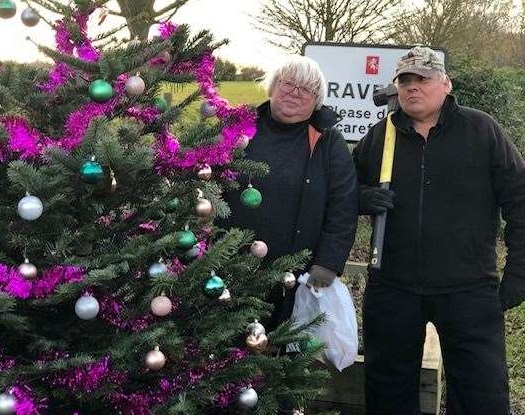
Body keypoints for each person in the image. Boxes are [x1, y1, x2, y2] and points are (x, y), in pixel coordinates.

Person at [353, 46, 525, 415]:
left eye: (423, 79)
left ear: (444, 83)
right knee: (387, 392)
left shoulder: (482, 131)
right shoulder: (381, 136)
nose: (413, 88)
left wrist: (518, 272)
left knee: (482, 396)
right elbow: (341, 191)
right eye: (405, 80)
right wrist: (362, 197)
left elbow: (520, 201)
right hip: (392, 289)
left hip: (469, 290)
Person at [222, 55, 358, 331]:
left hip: (293, 276)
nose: (295, 93)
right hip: (226, 266)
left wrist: (328, 262)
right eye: (288, 84)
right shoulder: (239, 128)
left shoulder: (327, 141)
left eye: (306, 89)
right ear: (273, 86)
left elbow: (343, 204)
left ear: (316, 99)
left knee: (281, 355)